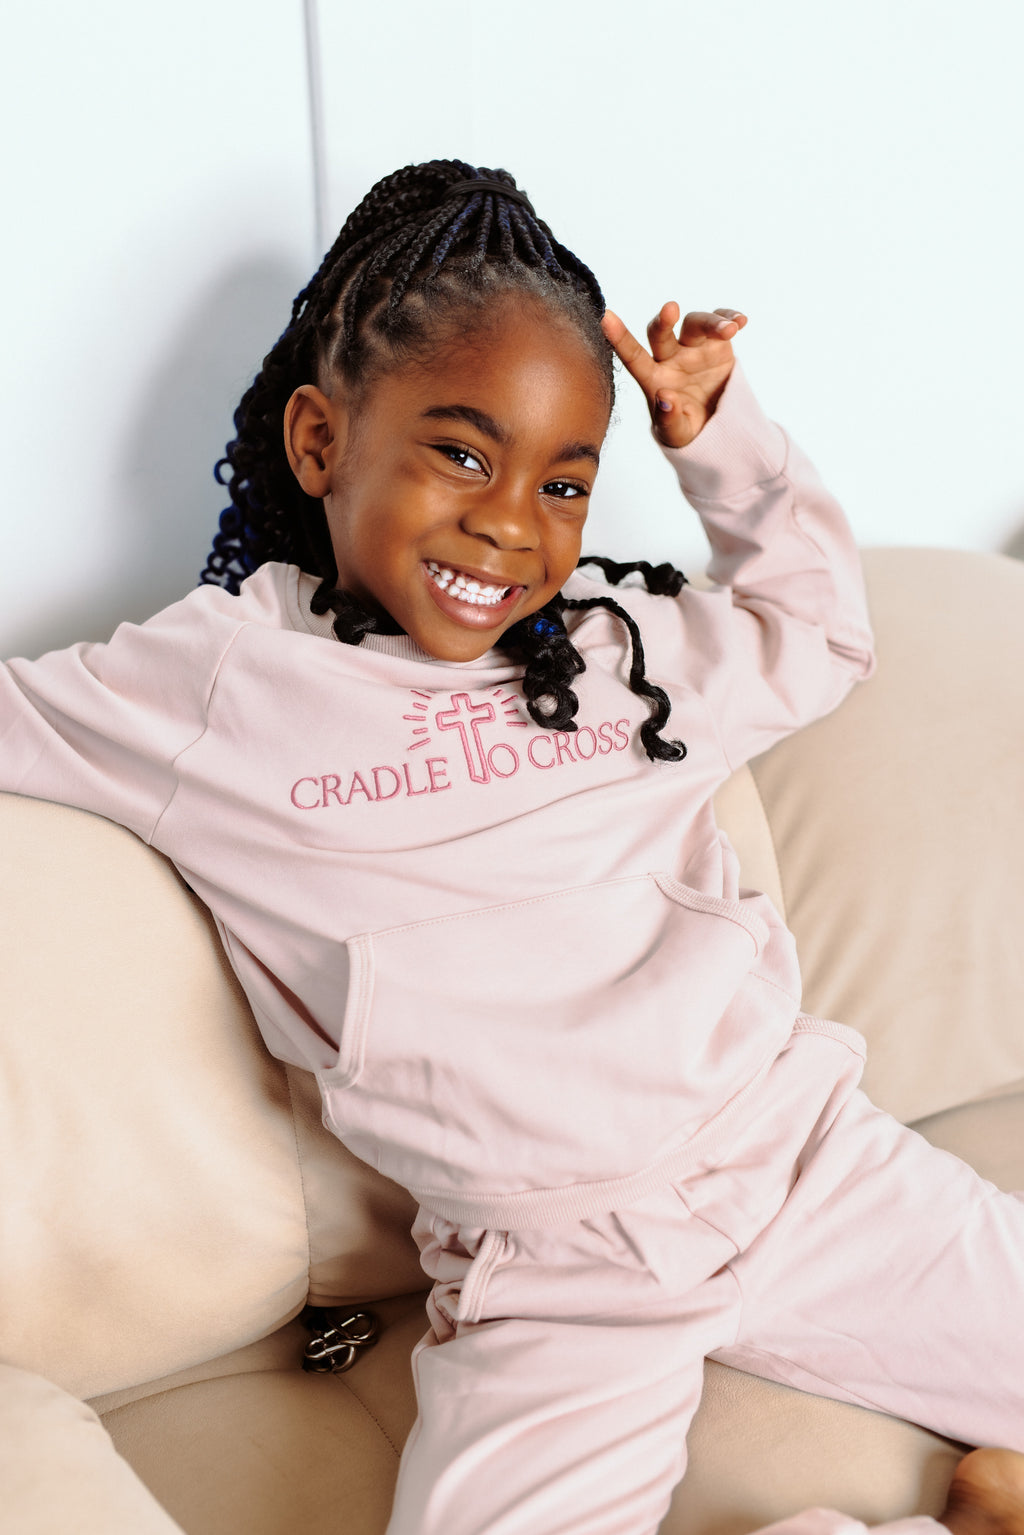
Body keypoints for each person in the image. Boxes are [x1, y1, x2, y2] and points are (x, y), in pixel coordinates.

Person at [2, 159, 1022, 1535]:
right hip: (555, 1270)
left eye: (566, 485)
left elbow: (820, 631)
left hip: (799, 1166)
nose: (509, 521)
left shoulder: (617, 652)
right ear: (320, 442)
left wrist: (717, 437)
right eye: (463, 453)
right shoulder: (217, 686)